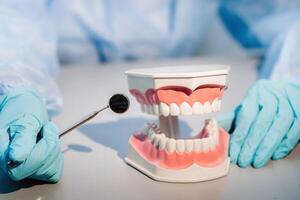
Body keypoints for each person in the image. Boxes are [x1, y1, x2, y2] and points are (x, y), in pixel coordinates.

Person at [0, 0, 299, 183]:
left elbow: (284, 13)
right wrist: (17, 86)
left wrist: (292, 77)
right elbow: (14, 15)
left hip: (173, 76)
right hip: (69, 78)